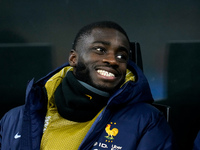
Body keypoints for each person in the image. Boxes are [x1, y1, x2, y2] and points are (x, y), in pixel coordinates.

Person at [0, 21, 177, 150]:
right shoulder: (14, 119)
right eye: (100, 49)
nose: (112, 60)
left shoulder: (147, 121)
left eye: (122, 56)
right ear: (73, 58)